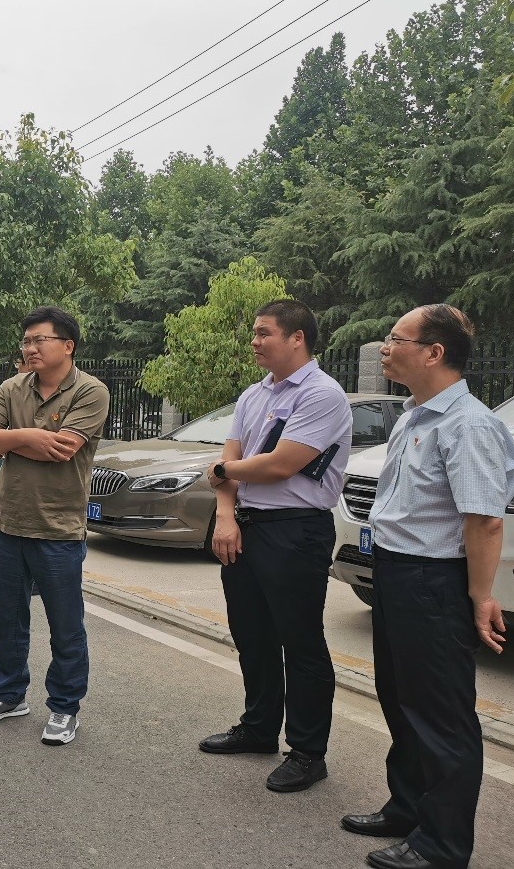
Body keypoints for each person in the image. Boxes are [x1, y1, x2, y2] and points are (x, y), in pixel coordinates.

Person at [341, 304, 514, 869]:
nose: (385, 347)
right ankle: (408, 808)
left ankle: (441, 845)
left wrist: (480, 597)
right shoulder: (414, 416)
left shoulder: (468, 425)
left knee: (440, 715)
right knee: (401, 700)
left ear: (433, 353)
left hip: (433, 580)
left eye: (396, 339)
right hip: (396, 572)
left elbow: (484, 520)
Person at [201, 299, 352, 794]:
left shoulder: (322, 395)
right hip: (245, 525)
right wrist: (226, 517)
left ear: (297, 338)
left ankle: (308, 751)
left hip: (296, 530)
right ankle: (259, 727)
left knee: (300, 640)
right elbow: (230, 462)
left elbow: (280, 464)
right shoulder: (253, 394)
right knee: (252, 633)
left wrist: (224, 471)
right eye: (255, 332)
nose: (255, 341)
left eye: (264, 332)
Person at [0, 306, 109, 746]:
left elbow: (63, 449)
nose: (29, 348)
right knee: (7, 620)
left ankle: (65, 707)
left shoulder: (91, 391)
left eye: (38, 340)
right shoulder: (13, 387)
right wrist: (29, 436)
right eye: (26, 341)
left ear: (67, 345)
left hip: (57, 528)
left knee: (66, 625)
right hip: (7, 522)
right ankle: (8, 695)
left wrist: (9, 440)